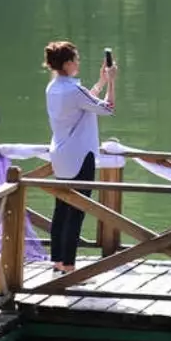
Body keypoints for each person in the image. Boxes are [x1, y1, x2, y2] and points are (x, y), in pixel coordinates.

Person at [45, 41, 116, 273]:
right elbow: (107, 108)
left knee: (61, 209)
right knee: (77, 211)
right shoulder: (74, 90)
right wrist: (112, 81)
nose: (78, 62)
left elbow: (85, 102)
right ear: (66, 64)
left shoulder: (53, 87)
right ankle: (69, 266)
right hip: (80, 156)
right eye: (75, 59)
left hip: (60, 154)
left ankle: (57, 260)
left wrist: (101, 82)